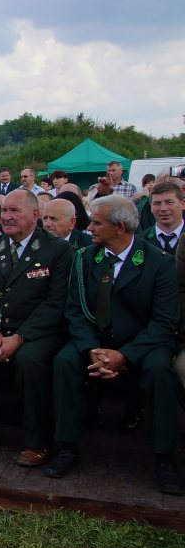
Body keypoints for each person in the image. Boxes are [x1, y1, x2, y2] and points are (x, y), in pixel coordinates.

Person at [47, 195, 182, 494]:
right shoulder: (84, 258)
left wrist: (125, 355)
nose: (89, 227)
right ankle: (66, 446)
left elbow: (164, 321)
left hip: (141, 344)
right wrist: (91, 349)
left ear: (120, 227)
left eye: (97, 222)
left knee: (160, 371)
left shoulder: (158, 263)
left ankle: (164, 458)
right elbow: (75, 309)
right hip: (95, 342)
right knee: (65, 361)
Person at [0, 189, 74, 466]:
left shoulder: (57, 249)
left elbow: (55, 303)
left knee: (30, 360)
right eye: (5, 211)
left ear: (35, 215)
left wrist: (20, 337)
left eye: (15, 211)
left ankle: (38, 441)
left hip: (36, 332)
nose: (7, 218)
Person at [141, 181, 183, 255]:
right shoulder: (139, 241)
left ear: (183, 204)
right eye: (157, 203)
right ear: (151, 207)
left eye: (169, 202)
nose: (163, 208)